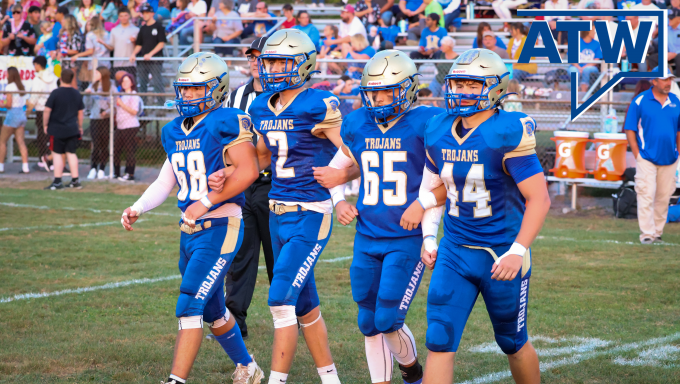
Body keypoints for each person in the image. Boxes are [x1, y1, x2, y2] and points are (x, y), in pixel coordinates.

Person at [120, 52, 263, 384]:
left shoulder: (228, 120)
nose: (188, 96)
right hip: (190, 230)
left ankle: (176, 380)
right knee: (212, 308)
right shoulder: (173, 130)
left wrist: (207, 200)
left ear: (216, 89)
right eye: (184, 89)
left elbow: (249, 170)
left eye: (196, 89)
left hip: (221, 224)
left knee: (189, 302)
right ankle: (248, 367)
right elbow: (165, 180)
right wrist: (138, 207)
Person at [417, 48, 549, 384]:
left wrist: (517, 251)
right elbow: (433, 189)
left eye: (471, 85)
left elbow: (540, 199)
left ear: (495, 88)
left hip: (499, 252)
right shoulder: (437, 129)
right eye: (457, 83)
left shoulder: (505, 131)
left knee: (512, 342)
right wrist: (429, 236)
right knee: (439, 341)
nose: (460, 92)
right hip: (454, 250)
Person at [314, 49, 445, 384]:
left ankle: (412, 370)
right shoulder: (358, 121)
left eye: (388, 90)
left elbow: (450, 181)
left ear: (409, 88)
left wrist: (426, 218)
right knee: (368, 322)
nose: (379, 98)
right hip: (367, 235)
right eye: (373, 91)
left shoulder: (427, 122)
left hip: (405, 238)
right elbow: (336, 168)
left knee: (388, 319)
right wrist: (339, 200)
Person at [234, 29, 344, 384]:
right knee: (305, 305)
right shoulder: (259, 104)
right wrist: (227, 174)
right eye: (269, 61)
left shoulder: (319, 103)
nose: (273, 68)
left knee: (280, 298)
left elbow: (356, 152)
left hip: (311, 212)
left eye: (282, 61)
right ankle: (330, 379)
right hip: (277, 211)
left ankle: (276, 381)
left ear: (304, 63)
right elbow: (262, 155)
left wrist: (341, 177)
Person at [209, 36, 272, 341]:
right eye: (251, 57)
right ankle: (235, 322)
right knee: (241, 256)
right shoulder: (236, 97)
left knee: (280, 255)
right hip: (245, 184)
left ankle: (295, 316)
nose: (255, 62)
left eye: (261, 57)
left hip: (277, 185)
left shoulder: (285, 94)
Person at [623, 70, 680, 244]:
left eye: (670, 79)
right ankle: (647, 234)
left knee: (664, 197)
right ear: (654, 81)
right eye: (664, 79)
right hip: (646, 157)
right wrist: (637, 154)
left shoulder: (676, 101)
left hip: (670, 157)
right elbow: (629, 128)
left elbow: (679, 130)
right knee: (646, 194)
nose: (668, 83)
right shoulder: (640, 101)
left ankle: (657, 233)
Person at [43, 69, 85, 190]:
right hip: (72, 128)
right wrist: (80, 126)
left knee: (57, 154)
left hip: (57, 128)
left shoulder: (56, 93)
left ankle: (57, 181)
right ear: (72, 79)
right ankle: (75, 180)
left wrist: (45, 124)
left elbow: (47, 110)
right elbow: (80, 112)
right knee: (71, 154)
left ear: (60, 78)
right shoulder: (76, 93)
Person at [26, 55, 58, 173]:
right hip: (52, 109)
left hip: (40, 109)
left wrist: (28, 110)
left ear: (38, 65)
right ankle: (52, 159)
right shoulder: (54, 77)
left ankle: (42, 159)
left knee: (41, 135)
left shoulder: (37, 79)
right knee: (52, 135)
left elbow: (34, 97)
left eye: (35, 65)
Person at [131, 2, 167, 105]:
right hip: (143, 61)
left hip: (155, 60)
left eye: (147, 12)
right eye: (143, 13)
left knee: (157, 83)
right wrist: (133, 54)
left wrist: (150, 54)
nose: (145, 15)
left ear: (152, 13)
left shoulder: (159, 26)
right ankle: (143, 108)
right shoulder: (142, 28)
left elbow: (161, 43)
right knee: (142, 85)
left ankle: (161, 107)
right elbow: (139, 44)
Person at [113, 72, 142, 181]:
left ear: (131, 82)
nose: (124, 83)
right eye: (123, 81)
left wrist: (122, 104)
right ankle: (116, 173)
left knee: (130, 150)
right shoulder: (121, 94)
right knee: (116, 150)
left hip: (130, 126)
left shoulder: (133, 94)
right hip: (120, 126)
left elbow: (134, 111)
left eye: (127, 81)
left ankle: (130, 174)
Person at [0, 67, 29, 174]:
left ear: (10, 75)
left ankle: (1, 166)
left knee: (2, 141)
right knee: (21, 142)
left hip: (12, 114)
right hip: (21, 114)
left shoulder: (9, 87)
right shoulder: (21, 86)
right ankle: (26, 167)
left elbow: (8, 104)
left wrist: (1, 103)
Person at [85, 66, 112, 180]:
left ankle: (102, 169)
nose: (94, 74)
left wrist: (107, 112)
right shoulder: (92, 86)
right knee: (95, 145)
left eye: (97, 72)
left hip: (105, 120)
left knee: (104, 145)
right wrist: (87, 95)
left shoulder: (111, 87)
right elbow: (87, 105)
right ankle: (93, 168)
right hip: (95, 119)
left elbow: (114, 105)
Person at [105, 7, 140, 78]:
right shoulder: (114, 30)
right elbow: (111, 47)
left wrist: (134, 42)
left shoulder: (136, 30)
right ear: (118, 17)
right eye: (121, 16)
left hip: (130, 63)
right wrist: (102, 43)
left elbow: (139, 46)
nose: (123, 18)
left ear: (129, 16)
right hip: (117, 64)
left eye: (125, 15)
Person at [646, 9, 680, 77]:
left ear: (678, 19)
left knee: (679, 58)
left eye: (672, 18)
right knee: (653, 58)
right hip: (669, 54)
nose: (669, 19)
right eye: (669, 17)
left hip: (678, 54)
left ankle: (678, 83)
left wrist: (675, 53)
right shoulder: (666, 29)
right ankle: (658, 80)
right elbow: (657, 41)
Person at [57, 14, 83, 87]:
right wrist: (57, 52)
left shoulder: (75, 35)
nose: (61, 21)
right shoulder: (63, 34)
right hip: (64, 63)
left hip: (72, 63)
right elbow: (61, 47)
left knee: (73, 81)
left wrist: (63, 52)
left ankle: (75, 98)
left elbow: (76, 50)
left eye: (63, 20)